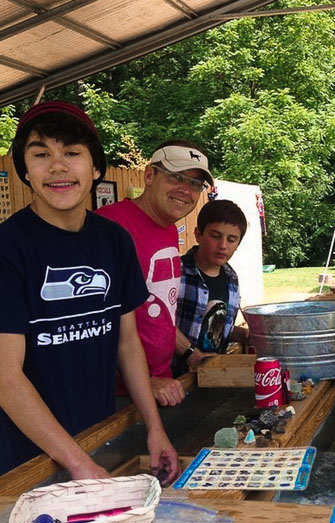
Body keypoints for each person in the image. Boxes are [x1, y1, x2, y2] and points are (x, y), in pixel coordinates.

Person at [0, 100, 179, 482]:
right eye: (41, 154)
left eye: (71, 153)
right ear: (25, 171)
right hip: (28, 459)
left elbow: (127, 342)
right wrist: (78, 463)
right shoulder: (8, 248)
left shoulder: (114, 241)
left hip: (99, 438)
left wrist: (154, 427)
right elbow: (5, 376)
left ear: (95, 167)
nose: (58, 166)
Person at [98, 141, 215, 406]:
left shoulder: (169, 228)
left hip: (163, 384)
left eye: (196, 184)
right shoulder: (109, 227)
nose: (185, 190)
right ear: (149, 175)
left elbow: (160, 307)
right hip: (117, 395)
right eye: (176, 177)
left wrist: (191, 354)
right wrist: (142, 381)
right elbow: (88, 323)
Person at [172, 199, 250, 377]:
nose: (223, 245)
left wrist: (245, 335)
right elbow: (158, 323)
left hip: (212, 375)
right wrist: (191, 354)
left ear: (238, 244)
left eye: (231, 239)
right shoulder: (175, 272)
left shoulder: (232, 278)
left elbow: (216, 326)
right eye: (215, 236)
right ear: (198, 234)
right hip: (174, 378)